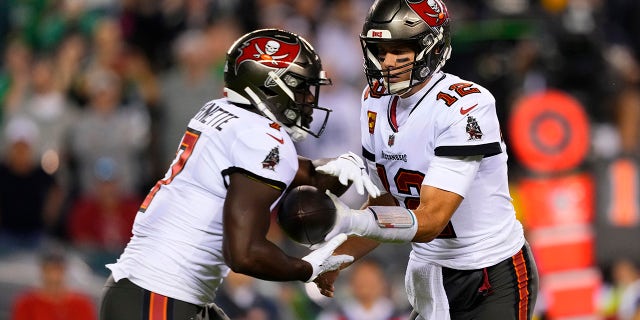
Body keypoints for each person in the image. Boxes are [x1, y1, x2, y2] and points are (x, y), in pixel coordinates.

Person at [99, 28, 379, 320]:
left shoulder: (221, 111)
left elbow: (304, 174)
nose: (308, 99)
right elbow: (244, 255)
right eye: (300, 86)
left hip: (147, 291)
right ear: (269, 86)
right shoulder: (262, 137)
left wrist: (350, 164)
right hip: (159, 295)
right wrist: (308, 268)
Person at [313, 1, 539, 319]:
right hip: (428, 273)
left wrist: (347, 220)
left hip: (488, 273)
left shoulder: (466, 104)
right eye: (379, 49)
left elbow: (432, 219)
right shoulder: (373, 101)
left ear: (431, 48)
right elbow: (388, 202)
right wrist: (340, 254)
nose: (386, 61)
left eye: (398, 49)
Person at [11, 247, 98, 320]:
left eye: (58, 270)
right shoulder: (26, 303)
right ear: (42, 270)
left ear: (65, 271)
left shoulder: (81, 304)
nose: (54, 276)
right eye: (49, 270)